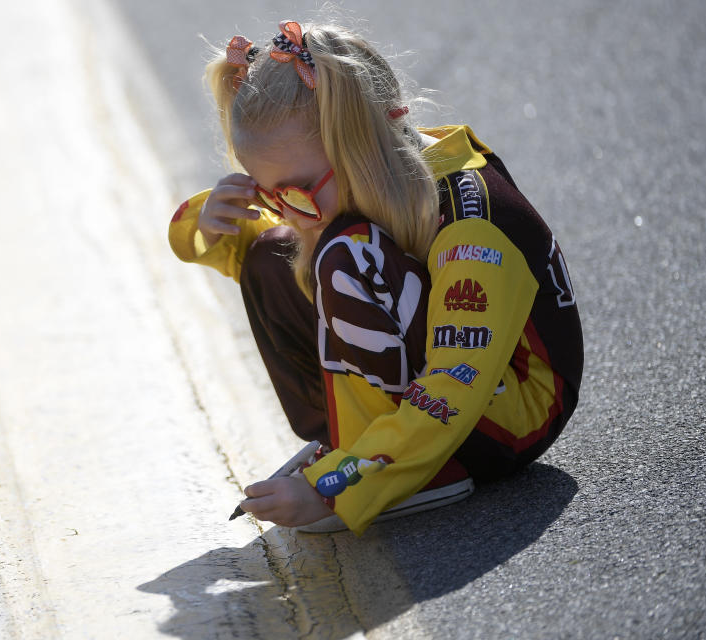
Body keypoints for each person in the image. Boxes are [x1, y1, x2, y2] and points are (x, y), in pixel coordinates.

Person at [168, 20, 583, 535]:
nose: (283, 209)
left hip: (507, 413)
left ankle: (397, 465)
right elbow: (253, 256)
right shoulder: (371, 172)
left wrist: (335, 485)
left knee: (343, 256)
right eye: (267, 195)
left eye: (293, 193)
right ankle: (359, 440)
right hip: (458, 385)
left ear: (359, 149)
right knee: (272, 255)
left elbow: (456, 379)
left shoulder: (471, 230)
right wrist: (207, 223)